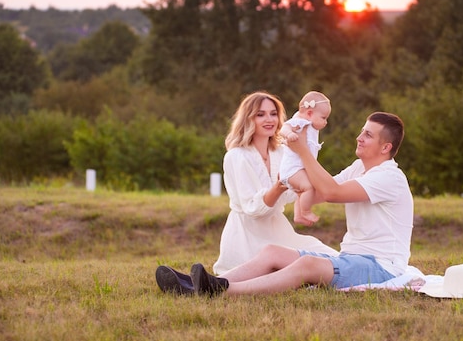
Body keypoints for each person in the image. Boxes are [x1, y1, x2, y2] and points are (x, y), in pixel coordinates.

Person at [156, 111, 414, 296]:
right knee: (272, 252)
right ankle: (192, 286)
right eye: (362, 131)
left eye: (368, 135)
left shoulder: (389, 177)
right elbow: (318, 193)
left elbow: (332, 192)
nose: (359, 137)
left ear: (385, 147)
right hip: (352, 259)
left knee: (307, 265)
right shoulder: (360, 167)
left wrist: (303, 152)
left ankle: (223, 290)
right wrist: (297, 176)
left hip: (381, 267)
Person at [210, 92, 339, 276]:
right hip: (248, 236)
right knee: (278, 269)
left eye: (273, 113)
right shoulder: (237, 156)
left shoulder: (281, 152)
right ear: (248, 119)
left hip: (278, 230)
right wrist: (279, 186)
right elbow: (252, 209)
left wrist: (302, 180)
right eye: (260, 114)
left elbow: (290, 195)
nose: (269, 119)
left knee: (329, 257)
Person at [279, 91, 331, 226]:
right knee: (308, 188)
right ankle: (305, 211)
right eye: (324, 118)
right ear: (309, 114)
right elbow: (283, 128)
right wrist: (289, 134)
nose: (325, 122)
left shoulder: (310, 124)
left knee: (303, 192)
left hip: (298, 169)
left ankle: (299, 216)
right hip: (292, 170)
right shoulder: (300, 122)